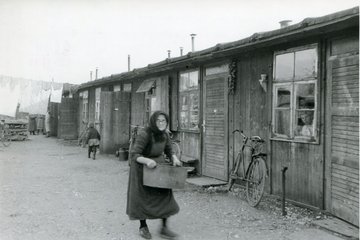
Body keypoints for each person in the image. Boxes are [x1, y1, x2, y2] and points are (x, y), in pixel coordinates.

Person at [126, 110, 182, 239]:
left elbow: (168, 149)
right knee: (143, 198)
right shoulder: (144, 134)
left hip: (159, 168)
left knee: (164, 196)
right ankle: (143, 227)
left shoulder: (165, 135)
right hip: (142, 167)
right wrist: (147, 161)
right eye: (158, 120)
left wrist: (174, 158)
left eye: (164, 121)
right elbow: (134, 154)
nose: (161, 123)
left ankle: (164, 228)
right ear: (153, 121)